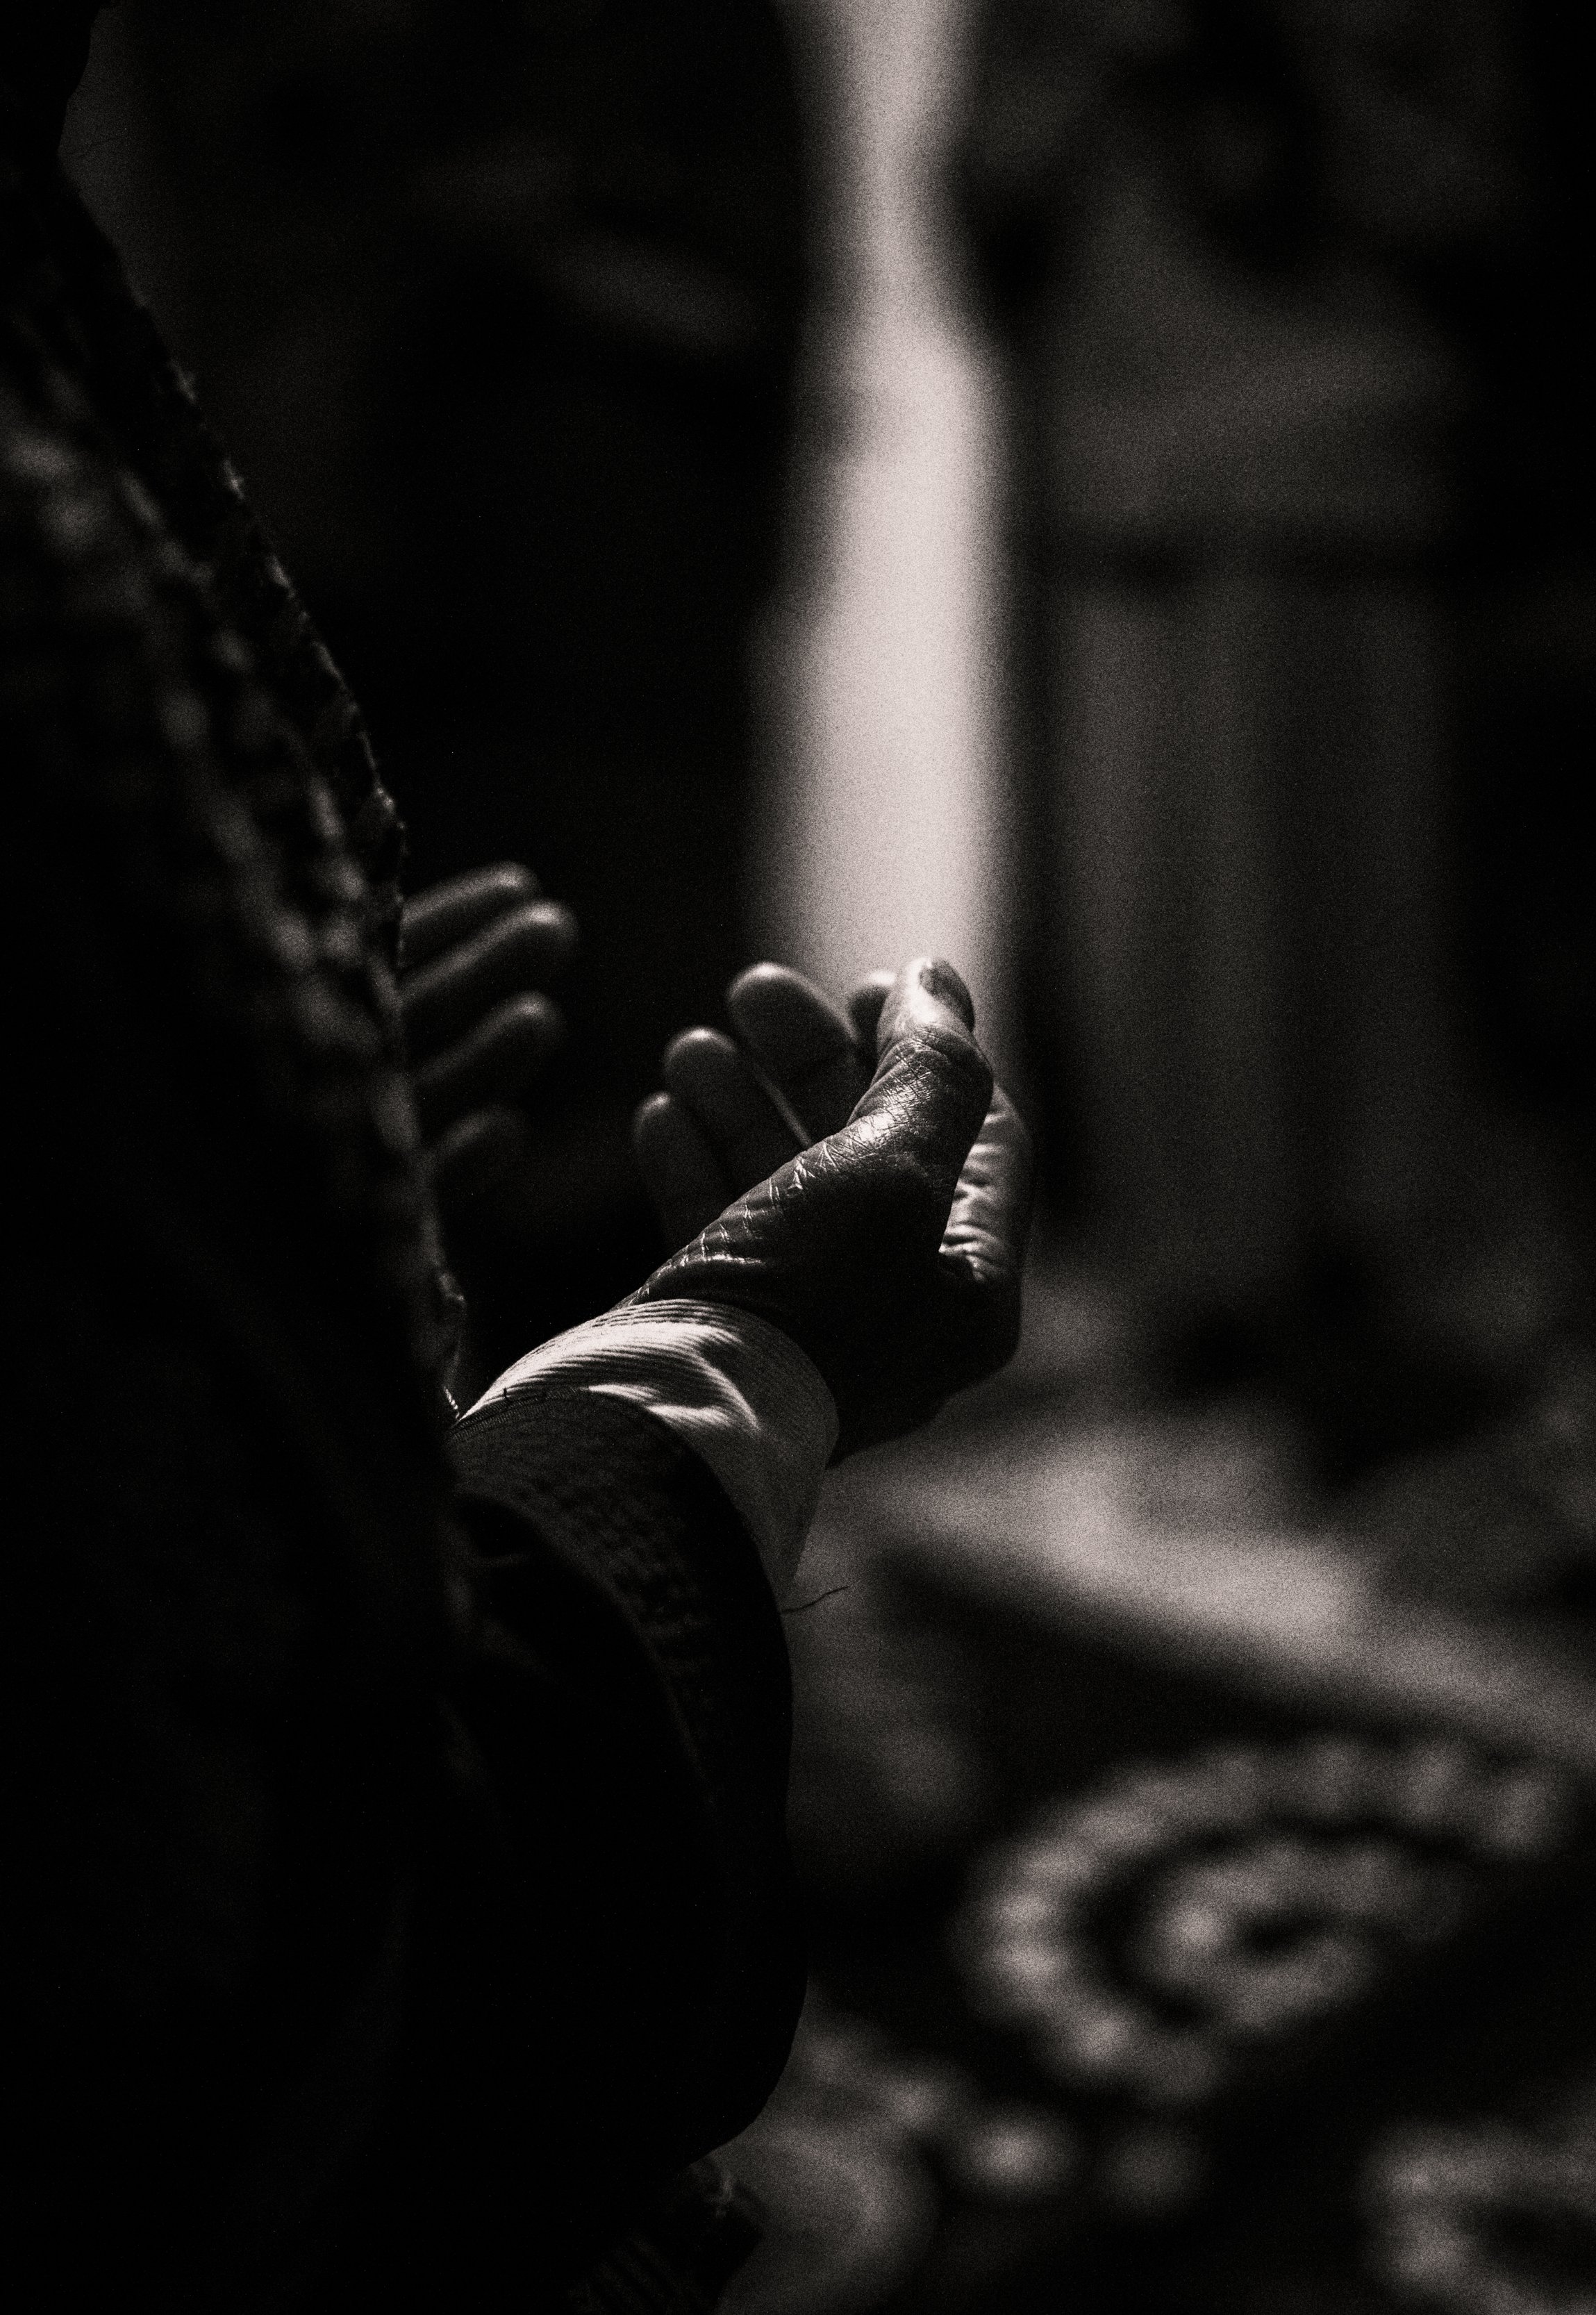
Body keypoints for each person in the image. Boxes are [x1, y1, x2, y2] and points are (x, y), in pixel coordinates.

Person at [3, 8, 1032, 2310]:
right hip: (424, 556)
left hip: (608, 581)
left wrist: (274, 1195)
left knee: (599, 1039)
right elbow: (214, 1956)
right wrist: (746, 1357)